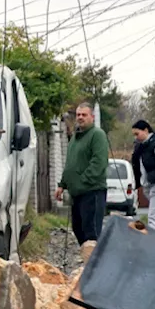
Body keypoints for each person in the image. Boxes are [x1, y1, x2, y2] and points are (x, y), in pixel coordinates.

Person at [55, 103, 109, 244]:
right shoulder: (75, 137)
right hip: (77, 194)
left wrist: (82, 181)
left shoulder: (97, 135)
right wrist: (62, 184)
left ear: (92, 117)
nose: (80, 117)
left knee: (91, 233)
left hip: (92, 192)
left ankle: (96, 264)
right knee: (78, 229)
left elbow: (99, 163)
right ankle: (88, 263)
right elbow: (70, 164)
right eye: (78, 115)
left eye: (84, 115)